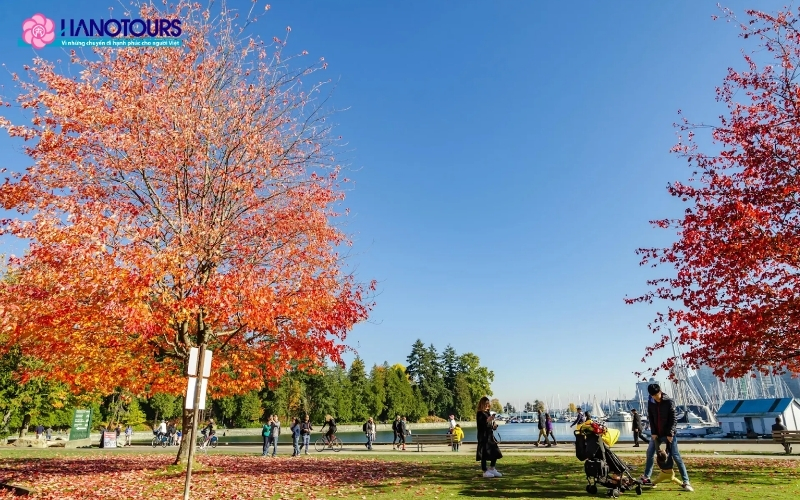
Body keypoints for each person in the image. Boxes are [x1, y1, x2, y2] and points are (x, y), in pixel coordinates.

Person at [640, 383, 693, 492]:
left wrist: (670, 433)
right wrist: (653, 432)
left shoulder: (669, 401)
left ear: (660, 392)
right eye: (652, 396)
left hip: (668, 434)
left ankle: (686, 481)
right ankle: (647, 477)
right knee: (650, 453)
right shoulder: (651, 401)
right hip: (656, 434)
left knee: (676, 456)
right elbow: (651, 417)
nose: (655, 398)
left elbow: (673, 419)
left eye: (656, 395)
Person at [476, 396, 503, 478]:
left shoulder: (488, 413)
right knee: (484, 453)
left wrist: (493, 426)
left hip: (489, 436)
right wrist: (487, 420)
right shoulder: (480, 413)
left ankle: (492, 468)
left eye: (488, 404)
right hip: (483, 436)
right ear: (483, 404)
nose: (488, 405)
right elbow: (480, 425)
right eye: (486, 404)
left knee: (495, 451)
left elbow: (489, 425)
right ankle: (484, 470)